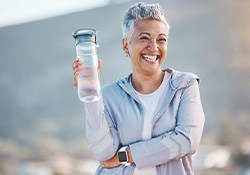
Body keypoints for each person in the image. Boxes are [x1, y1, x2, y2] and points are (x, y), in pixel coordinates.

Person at [72, 2, 205, 175]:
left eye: (161, 40)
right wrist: (92, 94)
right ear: (125, 44)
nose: (154, 47)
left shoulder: (185, 85)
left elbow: (186, 141)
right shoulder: (109, 95)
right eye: (144, 37)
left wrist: (126, 155)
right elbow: (103, 152)